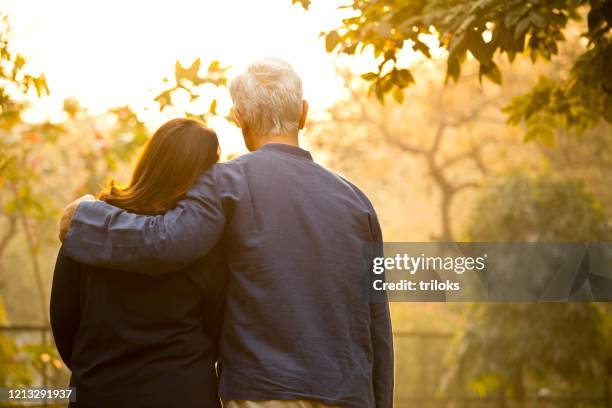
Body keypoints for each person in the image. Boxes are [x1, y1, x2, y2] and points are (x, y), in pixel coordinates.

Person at [60, 57, 394, 408]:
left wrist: (84, 218)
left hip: (263, 393)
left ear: (240, 118)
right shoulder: (358, 203)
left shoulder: (226, 183)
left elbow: (166, 241)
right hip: (349, 395)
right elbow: (377, 326)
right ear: (303, 113)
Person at [51, 118, 228, 408]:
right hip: (183, 393)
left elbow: (64, 321)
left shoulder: (89, 224)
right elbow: (219, 329)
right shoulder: (205, 241)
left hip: (100, 391)